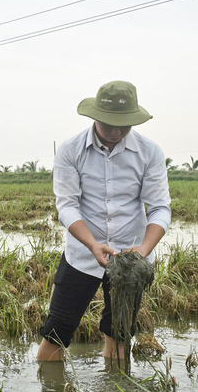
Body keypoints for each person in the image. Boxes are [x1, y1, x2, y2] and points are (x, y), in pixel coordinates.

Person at [37, 81, 171, 362]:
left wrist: (142, 251)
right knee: (56, 332)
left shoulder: (149, 153)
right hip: (81, 256)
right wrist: (92, 245)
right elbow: (67, 205)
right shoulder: (71, 150)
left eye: (124, 125)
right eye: (109, 123)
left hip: (130, 259)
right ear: (94, 115)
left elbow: (159, 208)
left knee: (120, 335)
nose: (115, 131)